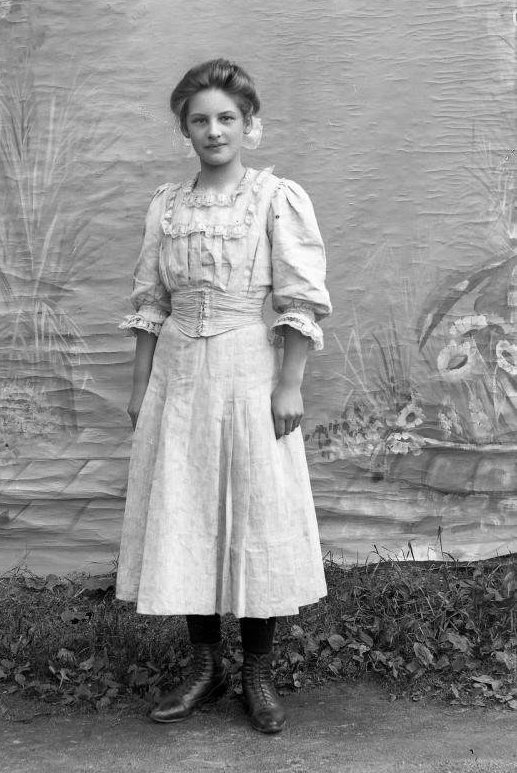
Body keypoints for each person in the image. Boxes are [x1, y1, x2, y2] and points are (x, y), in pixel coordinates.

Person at [116, 58, 332, 734]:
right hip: (179, 375)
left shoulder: (274, 198)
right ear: (185, 129)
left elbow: (299, 299)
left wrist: (289, 383)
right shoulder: (166, 206)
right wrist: (141, 386)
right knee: (188, 511)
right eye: (200, 120)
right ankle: (204, 667)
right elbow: (151, 301)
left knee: (256, 515)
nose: (214, 131)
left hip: (249, 373)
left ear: (249, 125)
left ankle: (257, 675)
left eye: (227, 118)